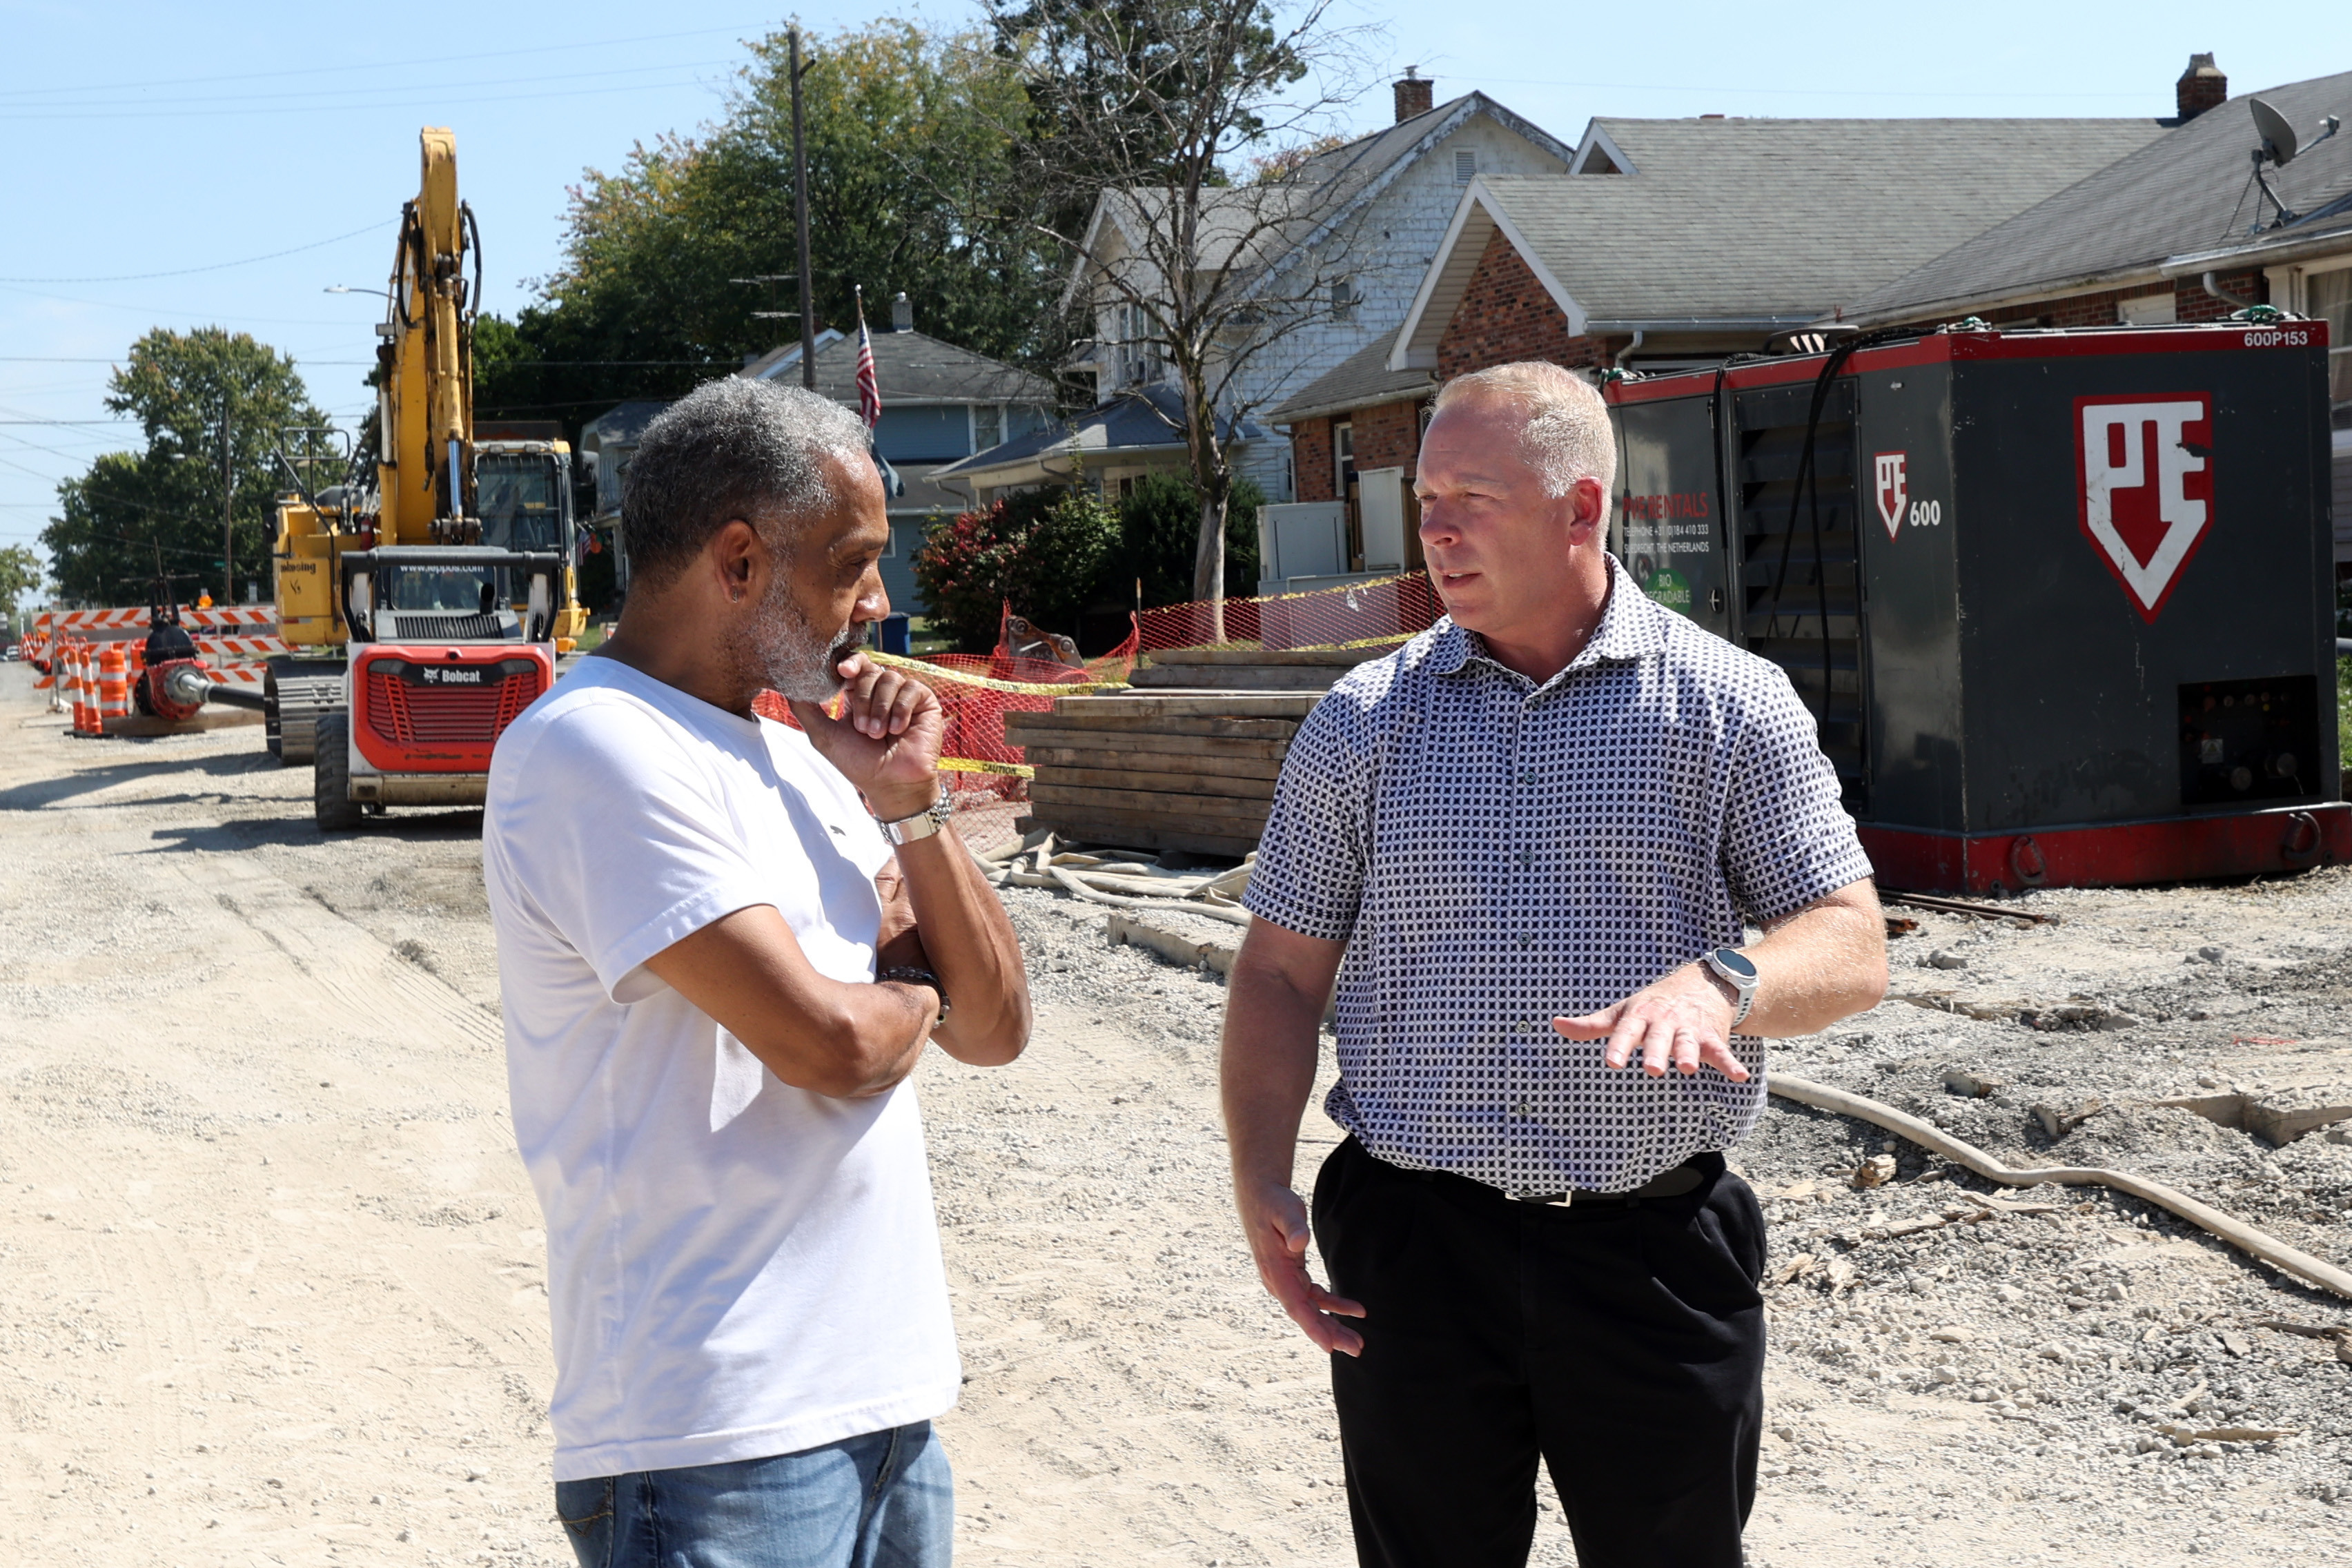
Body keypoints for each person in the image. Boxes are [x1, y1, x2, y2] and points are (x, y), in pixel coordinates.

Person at [1221, 361, 1888, 1568]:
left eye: (1471, 496)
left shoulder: (1731, 707)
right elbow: (1277, 974)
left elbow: (1850, 942)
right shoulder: (1366, 720)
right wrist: (1261, 1172)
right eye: (1425, 498)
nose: (1433, 528)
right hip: (1416, 1254)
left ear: (1582, 509)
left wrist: (1723, 982)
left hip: (1650, 1254)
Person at [484, 378, 1031, 1568]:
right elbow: (830, 1048)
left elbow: (996, 1032)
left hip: (886, 1411)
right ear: (739, 559)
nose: (879, 603)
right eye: (853, 562)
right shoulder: (596, 749)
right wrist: (911, 982)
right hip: (712, 1441)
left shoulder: (798, 754)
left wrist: (912, 810)